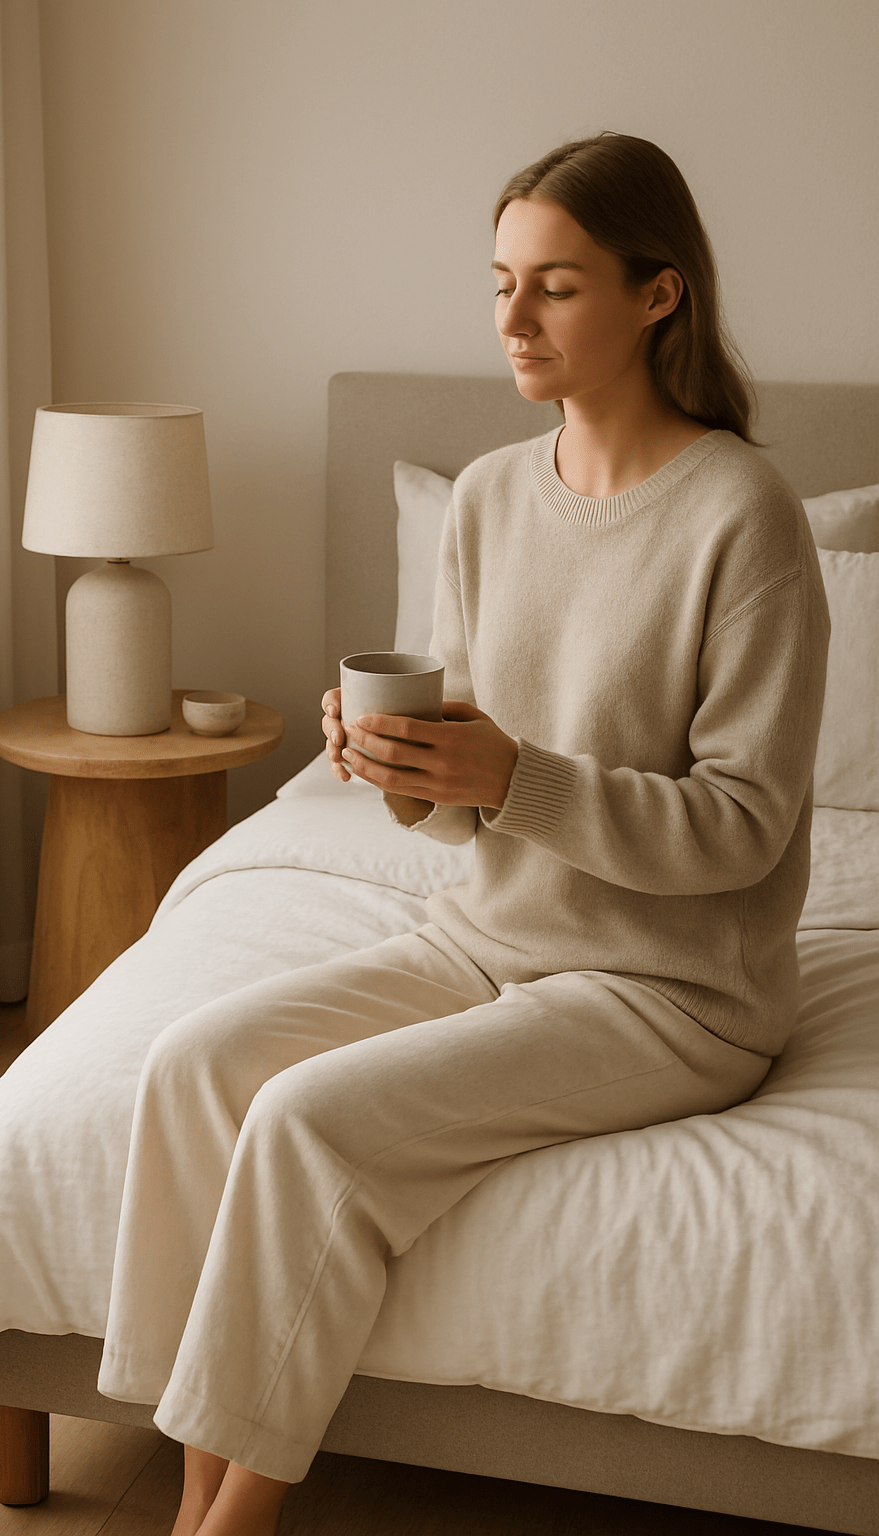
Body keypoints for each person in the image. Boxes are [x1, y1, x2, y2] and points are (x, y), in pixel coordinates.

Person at [97, 133, 829, 1536]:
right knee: (195, 1068)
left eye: (554, 287)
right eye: (500, 282)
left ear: (658, 294)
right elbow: (460, 798)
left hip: (673, 991)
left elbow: (743, 829)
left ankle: (232, 1522)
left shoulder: (747, 517)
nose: (510, 321)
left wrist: (515, 779)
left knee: (311, 1122)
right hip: (488, 934)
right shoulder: (491, 496)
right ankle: (190, 1491)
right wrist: (397, 767)